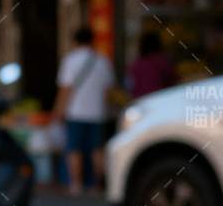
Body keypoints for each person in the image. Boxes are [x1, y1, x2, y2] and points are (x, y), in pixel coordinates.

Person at [54, 26, 118, 195]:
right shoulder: (103, 60)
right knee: (97, 149)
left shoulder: (70, 60)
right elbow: (108, 91)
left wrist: (59, 110)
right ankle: (98, 185)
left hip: (75, 112)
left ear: (75, 41)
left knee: (74, 149)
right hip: (98, 112)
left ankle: (76, 184)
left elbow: (65, 89)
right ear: (92, 40)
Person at [127, 31, 176, 98]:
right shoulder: (162, 61)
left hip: (140, 101)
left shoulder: (136, 64)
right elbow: (171, 81)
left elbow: (130, 85)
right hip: (158, 99)